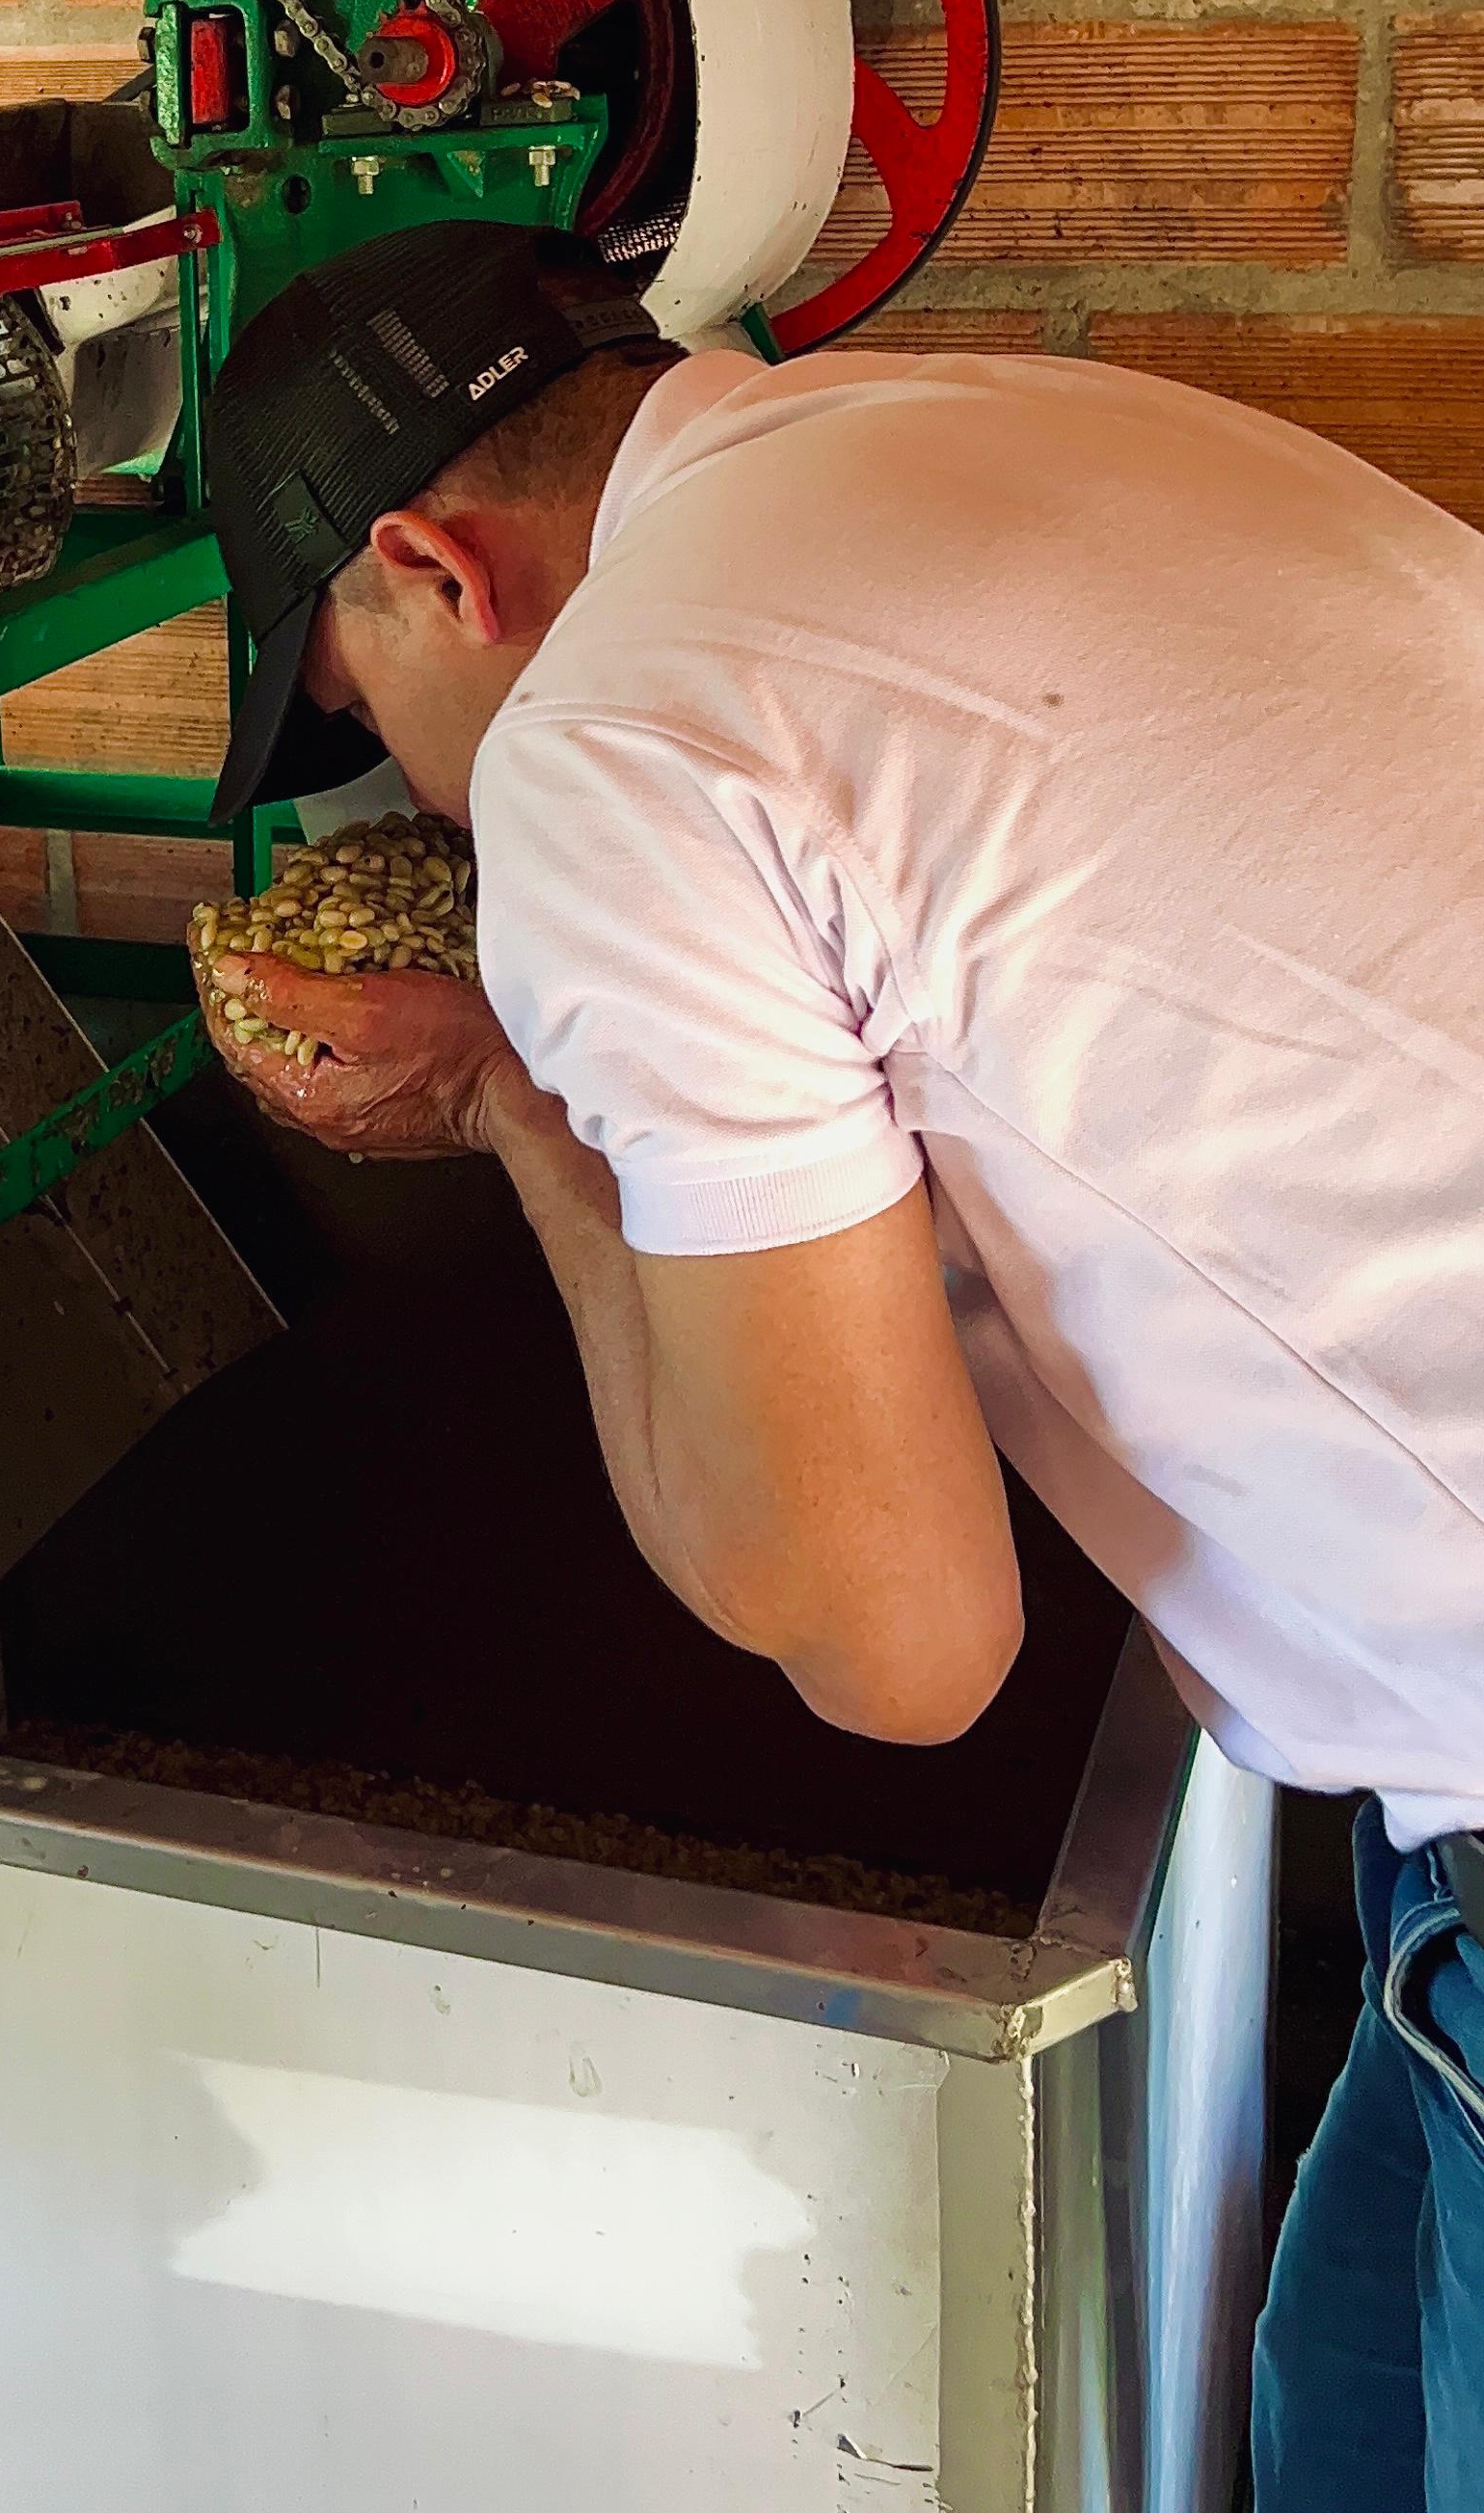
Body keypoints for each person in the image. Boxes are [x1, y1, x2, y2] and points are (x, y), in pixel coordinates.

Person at [199, 216, 1484, 2509]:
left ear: (435, 568)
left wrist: (512, 1105)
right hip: (1437, 1826)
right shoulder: (982, 420)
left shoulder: (621, 740)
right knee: (1354, 2420)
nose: (406, 802)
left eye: (359, 711)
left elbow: (900, 1642)